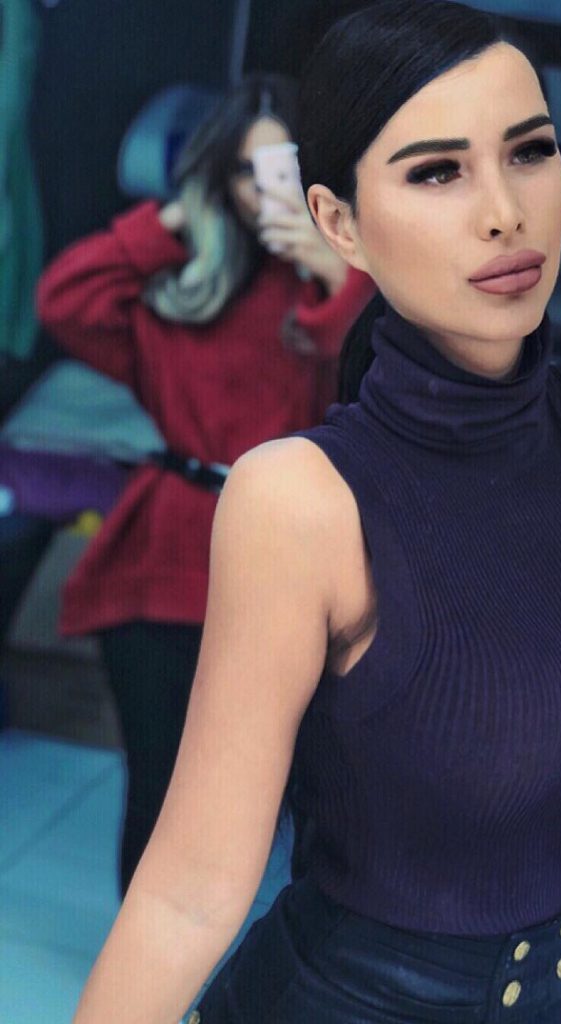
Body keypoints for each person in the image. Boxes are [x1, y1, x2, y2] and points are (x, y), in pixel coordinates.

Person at [72, 3, 561, 1022]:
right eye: (436, 172)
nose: (505, 212)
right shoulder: (300, 497)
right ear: (339, 223)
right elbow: (189, 892)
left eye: (529, 152)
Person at [36, 73, 374, 897]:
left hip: (286, 570)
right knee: (159, 789)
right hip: (165, 557)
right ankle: (149, 966)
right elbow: (66, 299)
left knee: (274, 801)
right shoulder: (184, 291)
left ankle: (244, 959)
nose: (266, 195)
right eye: (246, 173)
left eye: (284, 173)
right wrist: (177, 216)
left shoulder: (348, 299)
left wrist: (336, 274)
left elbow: (375, 381)